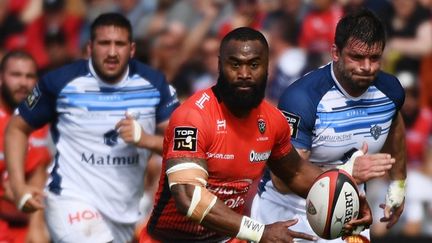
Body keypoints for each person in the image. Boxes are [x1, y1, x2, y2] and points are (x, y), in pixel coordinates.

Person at [141, 27, 376, 243]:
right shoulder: (192, 117)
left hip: (227, 238)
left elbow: (296, 173)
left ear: (268, 67)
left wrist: (349, 200)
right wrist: (260, 231)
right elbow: (188, 197)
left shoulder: (273, 121)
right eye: (235, 65)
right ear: (220, 65)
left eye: (254, 65)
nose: (244, 73)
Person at [5, 13, 179, 243]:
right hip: (70, 199)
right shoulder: (59, 82)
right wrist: (18, 186)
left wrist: (146, 139)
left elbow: (183, 143)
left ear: (132, 49)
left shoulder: (155, 84)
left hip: (125, 212)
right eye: (104, 43)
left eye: (120, 44)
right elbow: (17, 128)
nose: (112, 52)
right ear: (89, 47)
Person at [251, 8, 406, 243]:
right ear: (335, 52)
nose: (367, 67)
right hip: (290, 213)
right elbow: (283, 180)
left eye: (375, 58)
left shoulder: (391, 91)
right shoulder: (302, 99)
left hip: (351, 210)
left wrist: (398, 184)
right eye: (356, 57)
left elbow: (394, 125)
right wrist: (346, 173)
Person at [0, 51, 51, 242]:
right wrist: (8, 190)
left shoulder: (39, 123)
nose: (23, 83)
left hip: (25, 225)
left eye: (29, 76)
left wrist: (36, 227)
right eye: (16, 75)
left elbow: (38, 171)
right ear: (1, 78)